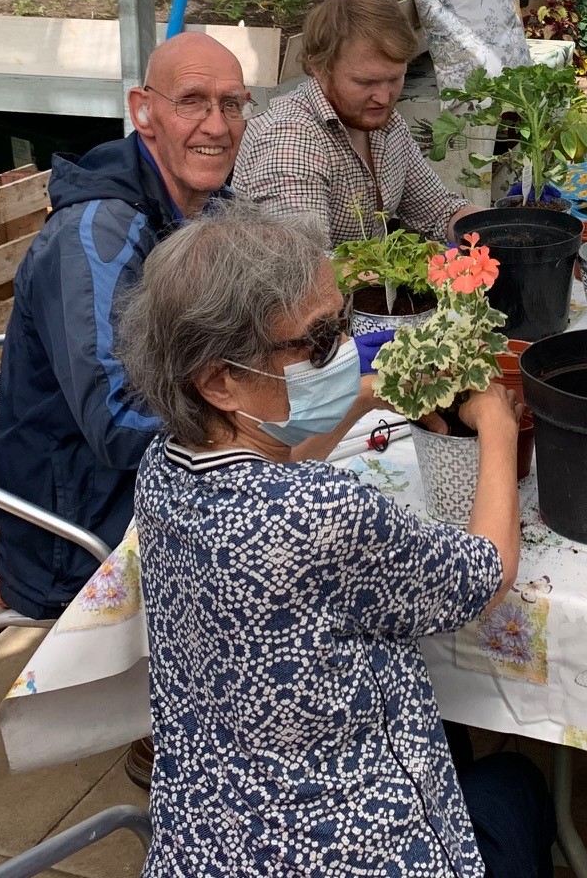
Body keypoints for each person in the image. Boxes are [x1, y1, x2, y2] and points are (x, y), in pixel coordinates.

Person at [118, 205, 554, 878]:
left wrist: (362, 398)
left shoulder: (163, 468)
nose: (345, 351)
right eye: (318, 343)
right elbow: (484, 573)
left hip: (214, 838)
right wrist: (496, 426)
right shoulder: (324, 512)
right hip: (347, 849)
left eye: (344, 322)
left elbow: (270, 467)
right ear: (219, 379)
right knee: (516, 787)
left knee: (461, 754)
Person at [0, 32, 250, 622]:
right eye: (192, 101)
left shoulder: (211, 207)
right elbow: (118, 422)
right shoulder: (95, 236)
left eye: (232, 104)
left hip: (164, 486)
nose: (217, 124)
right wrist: (260, 421)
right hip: (78, 535)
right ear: (143, 111)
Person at [233, 0, 474, 247]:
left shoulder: (386, 124)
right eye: (365, 82)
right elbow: (303, 269)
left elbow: (438, 210)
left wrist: (500, 230)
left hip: (364, 286)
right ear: (318, 68)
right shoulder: (291, 140)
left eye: (394, 78)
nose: (383, 97)